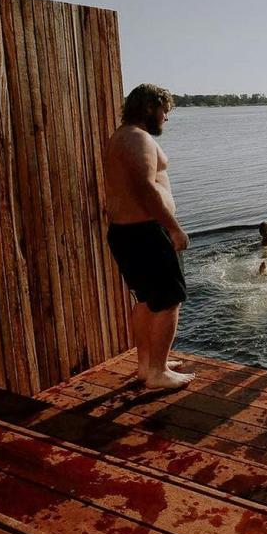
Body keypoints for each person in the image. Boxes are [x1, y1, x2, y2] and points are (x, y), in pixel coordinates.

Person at [103, 83, 196, 389]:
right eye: (163, 110)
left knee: (146, 300)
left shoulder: (122, 136)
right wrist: (174, 228)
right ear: (149, 108)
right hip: (145, 232)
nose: (165, 118)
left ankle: (147, 365)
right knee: (170, 301)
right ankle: (158, 372)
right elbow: (145, 188)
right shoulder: (138, 138)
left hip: (127, 232)